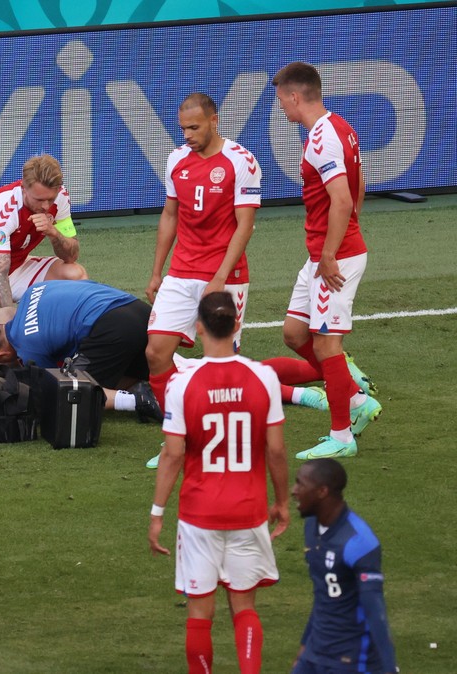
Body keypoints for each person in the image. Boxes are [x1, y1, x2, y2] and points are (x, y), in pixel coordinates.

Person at [148, 291, 289, 674]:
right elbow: (275, 450)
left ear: (198, 327)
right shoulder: (264, 378)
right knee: (244, 609)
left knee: (199, 614)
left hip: (199, 514)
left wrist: (157, 512)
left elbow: (173, 454)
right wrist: (282, 502)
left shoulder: (182, 385)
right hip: (248, 510)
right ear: (237, 324)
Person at [143, 92, 261, 468]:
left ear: (215, 121)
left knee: (224, 365)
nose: (188, 135)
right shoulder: (177, 159)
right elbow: (169, 215)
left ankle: (225, 442)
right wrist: (157, 271)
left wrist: (220, 279)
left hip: (225, 275)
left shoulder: (241, 162)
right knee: (155, 353)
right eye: (183, 128)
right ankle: (175, 438)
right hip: (181, 272)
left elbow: (245, 225)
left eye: (194, 127)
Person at [272, 62, 382, 459]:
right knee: (294, 333)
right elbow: (359, 185)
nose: (281, 106)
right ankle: (356, 400)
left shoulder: (321, 139)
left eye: (281, 98)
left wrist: (333, 251)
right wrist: (343, 232)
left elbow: (342, 198)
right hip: (322, 253)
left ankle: (342, 436)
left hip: (333, 257)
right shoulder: (341, 127)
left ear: (295, 96)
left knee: (327, 344)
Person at [0, 280, 161, 420]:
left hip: (113, 329)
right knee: (110, 366)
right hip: (139, 311)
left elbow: (57, 387)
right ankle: (149, 385)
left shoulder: (27, 346)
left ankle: (138, 400)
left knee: (72, 393)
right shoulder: (32, 291)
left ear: (2, 355)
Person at [291, 459, 398, 673]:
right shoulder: (312, 527)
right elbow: (323, 595)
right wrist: (304, 648)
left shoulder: (359, 543)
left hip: (349, 659)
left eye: (300, 484)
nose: (294, 491)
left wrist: (388, 668)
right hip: (315, 652)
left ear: (322, 491)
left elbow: (375, 612)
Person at [0, 154, 87, 308]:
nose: (46, 206)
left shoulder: (61, 197)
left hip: (17, 270)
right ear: (23, 188)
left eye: (50, 199)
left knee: (75, 275)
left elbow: (72, 255)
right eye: (39, 200)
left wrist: (54, 233)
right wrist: (8, 320)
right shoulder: (3, 210)